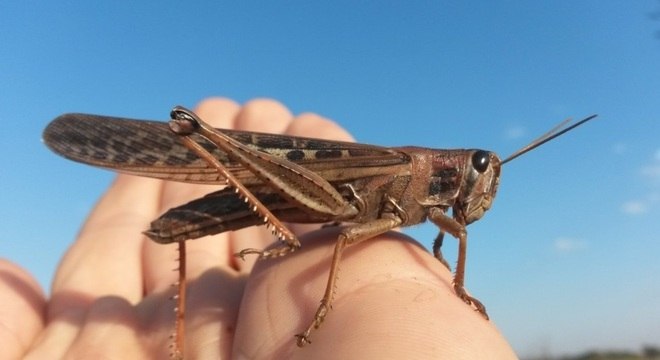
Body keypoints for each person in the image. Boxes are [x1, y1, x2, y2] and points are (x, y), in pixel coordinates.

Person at [1, 98, 517, 359]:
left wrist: (457, 286)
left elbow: (460, 231)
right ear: (453, 167)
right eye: (477, 168)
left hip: (308, 196)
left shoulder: (440, 215)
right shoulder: (405, 169)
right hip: (298, 187)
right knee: (340, 235)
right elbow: (343, 234)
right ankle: (205, 143)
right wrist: (316, 309)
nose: (479, 184)